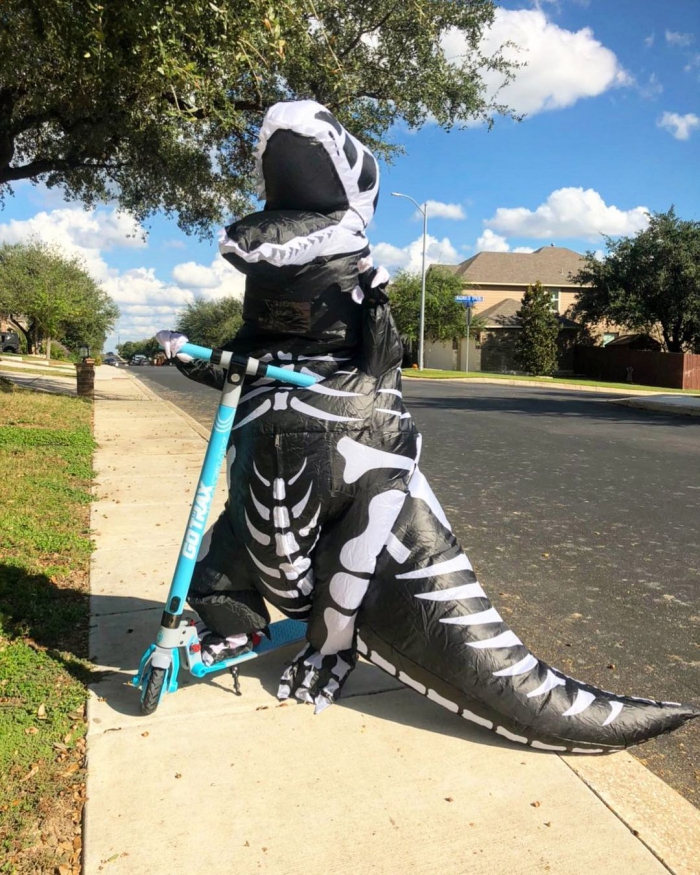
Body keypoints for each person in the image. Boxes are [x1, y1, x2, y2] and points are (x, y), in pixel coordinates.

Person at [157, 100, 698, 748]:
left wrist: (372, 301)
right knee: (219, 553)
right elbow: (231, 366)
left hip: (356, 493)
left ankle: (332, 642)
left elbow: (383, 370)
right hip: (258, 504)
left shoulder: (367, 308)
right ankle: (232, 623)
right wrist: (187, 353)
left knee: (363, 540)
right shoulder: (259, 332)